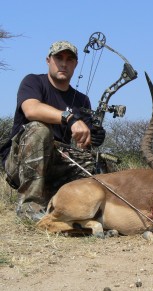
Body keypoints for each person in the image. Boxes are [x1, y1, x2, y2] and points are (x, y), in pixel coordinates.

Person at [0, 41, 106, 221]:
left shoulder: (82, 100)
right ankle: (29, 207)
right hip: (20, 163)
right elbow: (31, 110)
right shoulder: (33, 81)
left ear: (75, 64)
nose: (64, 64)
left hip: (57, 161)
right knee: (39, 129)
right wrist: (70, 118)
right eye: (59, 58)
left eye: (69, 59)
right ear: (48, 60)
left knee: (100, 164)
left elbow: (83, 142)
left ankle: (84, 210)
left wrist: (93, 136)